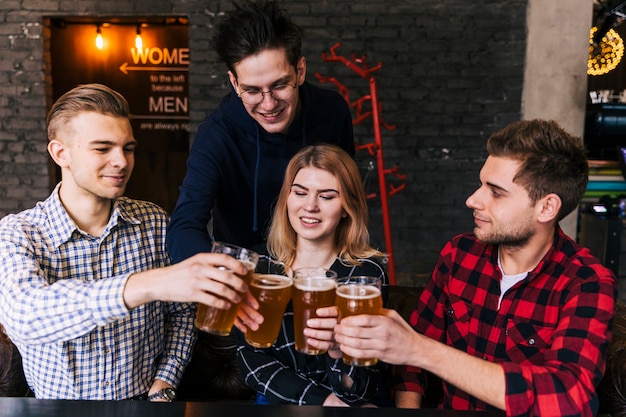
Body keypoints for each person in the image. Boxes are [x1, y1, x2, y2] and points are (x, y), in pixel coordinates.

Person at [333, 119, 618, 416]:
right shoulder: (459, 254)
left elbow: (566, 398)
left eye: (496, 192)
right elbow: (409, 368)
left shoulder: (587, 282)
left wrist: (419, 348)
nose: (472, 200)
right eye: (481, 184)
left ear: (546, 208)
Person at [0, 83, 252, 401]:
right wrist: (145, 285)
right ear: (60, 153)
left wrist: (166, 379)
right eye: (103, 148)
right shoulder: (18, 232)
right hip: (58, 408)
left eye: (128, 148)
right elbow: (24, 318)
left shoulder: (154, 221)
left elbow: (183, 314)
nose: (121, 161)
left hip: (142, 402)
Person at [166, 0, 355, 263]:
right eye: (253, 90)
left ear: (300, 71)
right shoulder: (218, 134)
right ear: (234, 82)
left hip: (318, 270)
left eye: (279, 86)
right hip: (243, 276)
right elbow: (183, 228)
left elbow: (347, 197)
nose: (268, 104)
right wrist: (220, 276)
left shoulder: (332, 113)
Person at [235, 144, 390, 406]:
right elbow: (252, 362)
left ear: (346, 207)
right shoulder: (259, 265)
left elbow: (362, 385)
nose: (310, 206)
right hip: (280, 398)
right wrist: (322, 400)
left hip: (349, 401)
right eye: (300, 192)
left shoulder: (365, 274)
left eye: (327, 197)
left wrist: (337, 351)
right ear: (287, 198)